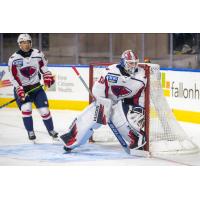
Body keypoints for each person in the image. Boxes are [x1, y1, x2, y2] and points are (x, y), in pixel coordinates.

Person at [60, 50, 146, 152]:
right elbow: (97, 89)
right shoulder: (110, 71)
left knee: (124, 121)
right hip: (105, 101)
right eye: (131, 63)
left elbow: (140, 96)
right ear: (123, 62)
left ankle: (137, 140)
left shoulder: (142, 77)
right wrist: (104, 103)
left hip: (122, 104)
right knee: (89, 120)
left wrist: (137, 108)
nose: (133, 66)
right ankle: (71, 141)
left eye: (135, 63)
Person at [8, 33, 58, 141]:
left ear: (31, 43)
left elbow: (43, 67)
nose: (25, 45)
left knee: (44, 111)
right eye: (23, 43)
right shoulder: (13, 59)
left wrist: (47, 75)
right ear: (19, 44)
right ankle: (30, 132)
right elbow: (13, 77)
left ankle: (51, 130)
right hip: (22, 89)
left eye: (27, 42)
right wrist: (19, 88)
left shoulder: (38, 54)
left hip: (36, 88)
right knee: (26, 109)